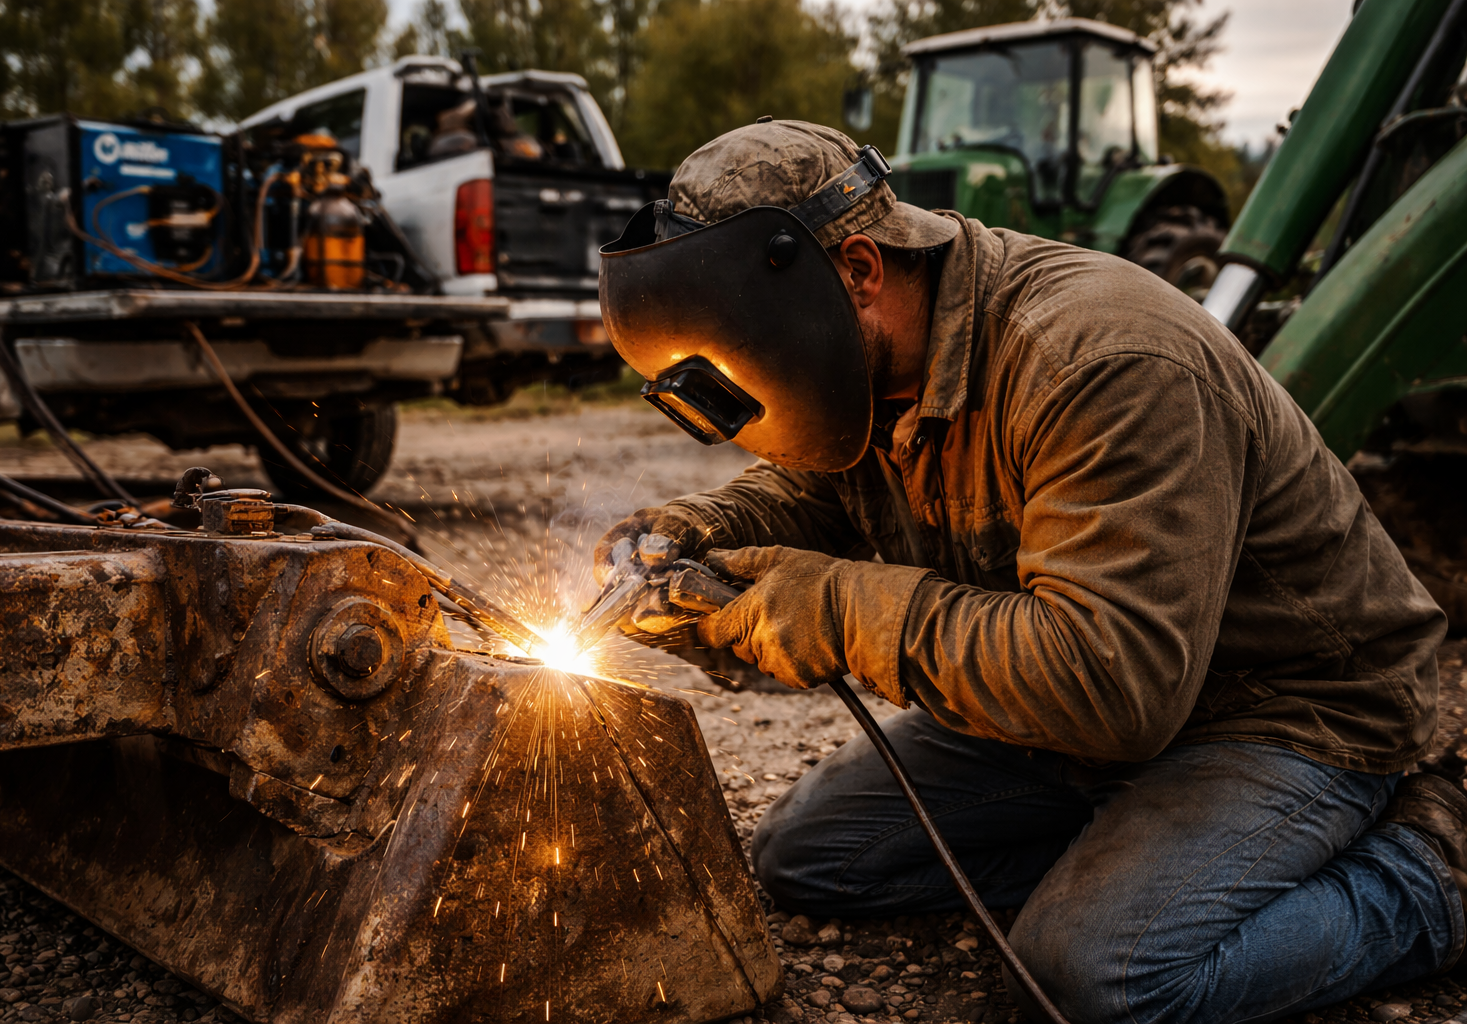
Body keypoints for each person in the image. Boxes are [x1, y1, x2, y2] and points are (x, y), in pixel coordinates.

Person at [593, 118, 1456, 1024]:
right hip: (1062, 711)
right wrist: (695, 531)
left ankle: (1425, 878)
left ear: (857, 269)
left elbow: (1112, 682)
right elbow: (817, 487)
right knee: (816, 856)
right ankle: (1155, 857)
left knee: (1090, 980)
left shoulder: (1103, 362)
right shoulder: (877, 356)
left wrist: (833, 610)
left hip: (1277, 710)